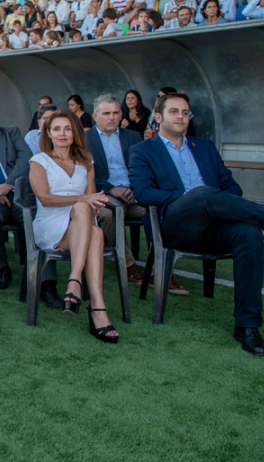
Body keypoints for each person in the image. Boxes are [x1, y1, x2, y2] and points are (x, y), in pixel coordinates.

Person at [129, 92, 264, 356]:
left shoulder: (204, 147)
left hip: (214, 225)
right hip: (175, 226)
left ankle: (247, 327)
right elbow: (143, 193)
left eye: (185, 112)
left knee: (249, 232)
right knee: (200, 193)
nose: (181, 117)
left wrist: (213, 201)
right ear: (158, 117)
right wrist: (190, 198)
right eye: (174, 111)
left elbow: (231, 186)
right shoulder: (142, 150)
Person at [29, 110, 119, 343]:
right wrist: (84, 200)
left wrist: (92, 203)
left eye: (67, 128)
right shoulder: (40, 161)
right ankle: (89, 299)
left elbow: (91, 198)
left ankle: (82, 292)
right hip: (50, 224)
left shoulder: (86, 160)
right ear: (48, 133)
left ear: (74, 132)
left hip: (81, 224)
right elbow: (45, 198)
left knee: (93, 227)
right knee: (87, 216)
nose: (62, 133)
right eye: (56, 129)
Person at [0, 98, 62, 303]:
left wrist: (8, 185)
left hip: (18, 195)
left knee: (38, 221)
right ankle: (1, 269)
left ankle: (47, 283)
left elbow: (26, 159)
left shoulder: (11, 133)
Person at [87, 95, 150, 287]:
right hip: (105, 194)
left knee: (158, 213)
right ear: (95, 116)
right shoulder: (84, 139)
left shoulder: (132, 137)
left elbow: (143, 168)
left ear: (121, 114)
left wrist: (133, 188)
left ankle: (160, 267)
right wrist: (112, 189)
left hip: (134, 195)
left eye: (115, 113)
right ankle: (129, 265)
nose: (111, 117)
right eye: (106, 113)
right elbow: (83, 174)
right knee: (108, 214)